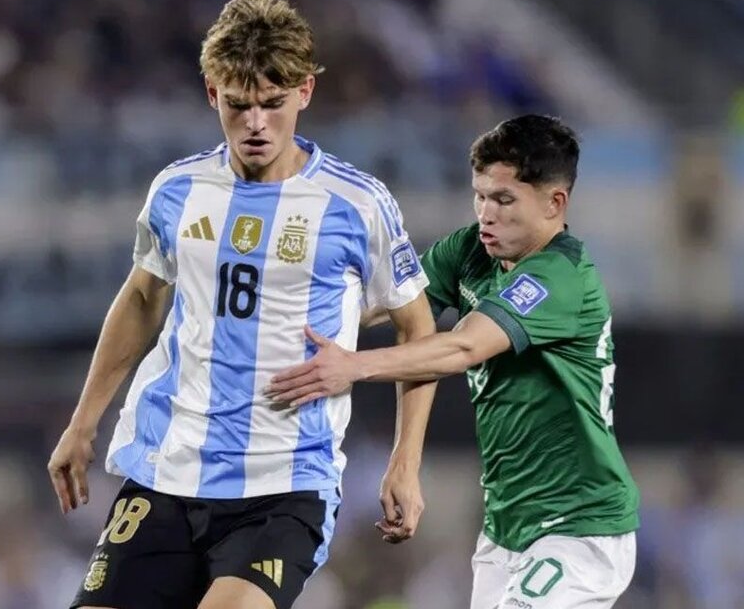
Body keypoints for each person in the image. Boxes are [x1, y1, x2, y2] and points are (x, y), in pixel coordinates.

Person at [47, 0, 436, 609]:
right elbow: (143, 298)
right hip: (169, 471)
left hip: (284, 486)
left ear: (305, 92)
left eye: (274, 104)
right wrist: (82, 421)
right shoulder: (177, 190)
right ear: (212, 94)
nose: (256, 123)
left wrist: (404, 462)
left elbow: (419, 331)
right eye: (238, 104)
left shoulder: (357, 205)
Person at [268, 115, 641, 608]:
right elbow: (389, 306)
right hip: (506, 527)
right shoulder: (469, 250)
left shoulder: (562, 276)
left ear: (555, 203)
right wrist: (278, 310)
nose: (487, 213)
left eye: (504, 200)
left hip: (580, 527)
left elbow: (461, 348)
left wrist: (353, 366)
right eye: (480, 195)